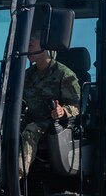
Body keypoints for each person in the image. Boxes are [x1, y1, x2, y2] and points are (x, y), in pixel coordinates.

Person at [17, 35, 81, 184]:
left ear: (45, 44)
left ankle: (16, 177)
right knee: (6, 131)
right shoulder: (27, 75)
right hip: (30, 118)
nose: (28, 48)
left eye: (32, 42)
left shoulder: (64, 74)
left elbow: (78, 107)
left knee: (30, 130)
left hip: (54, 124)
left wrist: (63, 111)